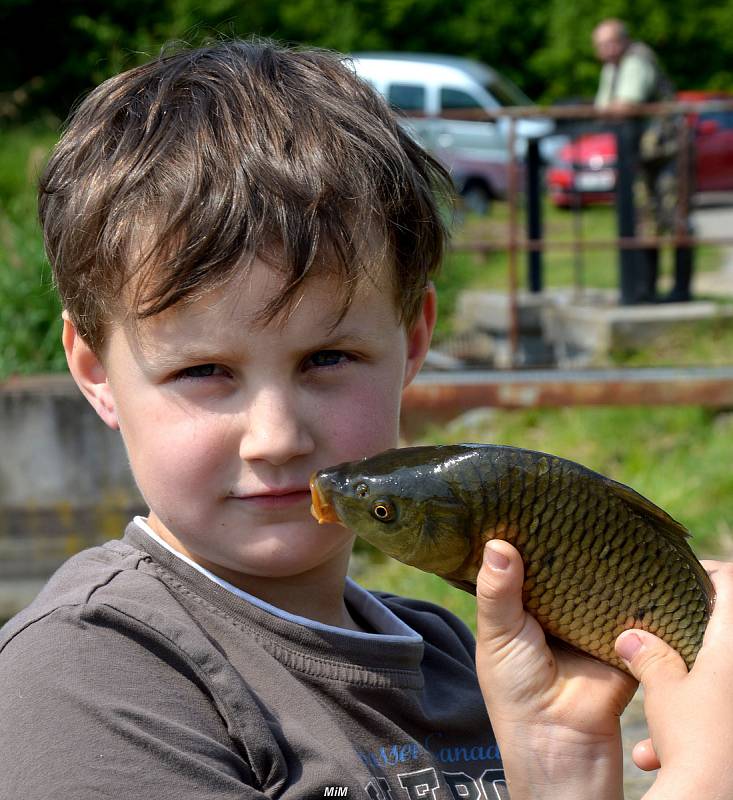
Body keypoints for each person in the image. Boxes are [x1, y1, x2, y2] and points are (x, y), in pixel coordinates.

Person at [0, 38, 731, 800]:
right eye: (203, 372)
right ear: (94, 373)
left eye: (327, 359)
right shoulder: (88, 681)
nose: (278, 437)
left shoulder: (458, 657)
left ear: (413, 339)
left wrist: (557, 767)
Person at [593, 18, 694, 303]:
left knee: (675, 217)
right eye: (600, 45)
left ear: (624, 40)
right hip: (646, 154)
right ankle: (646, 290)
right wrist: (609, 109)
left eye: (610, 43)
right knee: (646, 221)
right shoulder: (612, 67)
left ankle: (680, 290)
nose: (606, 50)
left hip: (670, 151)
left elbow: (627, 103)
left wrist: (611, 109)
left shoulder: (636, 60)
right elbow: (604, 109)